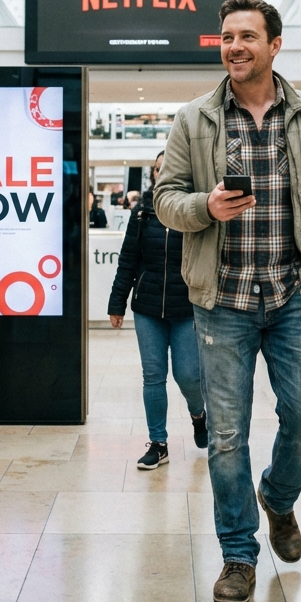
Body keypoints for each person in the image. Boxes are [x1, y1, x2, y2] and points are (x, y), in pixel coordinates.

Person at [155, 0, 301, 602]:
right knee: (226, 436)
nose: (235, 46)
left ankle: (280, 496)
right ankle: (239, 555)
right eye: (227, 37)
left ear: (274, 44)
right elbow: (165, 198)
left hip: (295, 294)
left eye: (247, 35)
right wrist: (204, 207)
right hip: (222, 301)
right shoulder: (195, 119)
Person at [108, 151, 207, 469]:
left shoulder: (194, 209)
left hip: (186, 307)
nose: (161, 173)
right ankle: (158, 443)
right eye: (156, 169)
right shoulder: (142, 211)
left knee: (188, 375)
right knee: (153, 375)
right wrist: (117, 302)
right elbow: (128, 259)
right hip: (147, 307)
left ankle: (199, 414)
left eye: (167, 168)